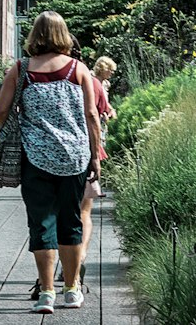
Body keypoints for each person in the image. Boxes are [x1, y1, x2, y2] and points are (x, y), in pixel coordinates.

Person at [0, 10, 101, 314]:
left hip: (34, 157)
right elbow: (92, 115)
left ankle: (47, 293)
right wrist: (95, 155)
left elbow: (1, 111)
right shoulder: (78, 69)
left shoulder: (21, 69)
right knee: (72, 221)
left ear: (35, 35)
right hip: (75, 158)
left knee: (41, 223)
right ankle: (72, 289)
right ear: (63, 34)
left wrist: (19, 130)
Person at [78, 52, 116, 284]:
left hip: (51, 155)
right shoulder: (92, 82)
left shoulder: (32, 73)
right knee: (84, 211)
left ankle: (46, 282)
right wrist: (95, 158)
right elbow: (96, 112)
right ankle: (79, 258)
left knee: (56, 213)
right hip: (85, 149)